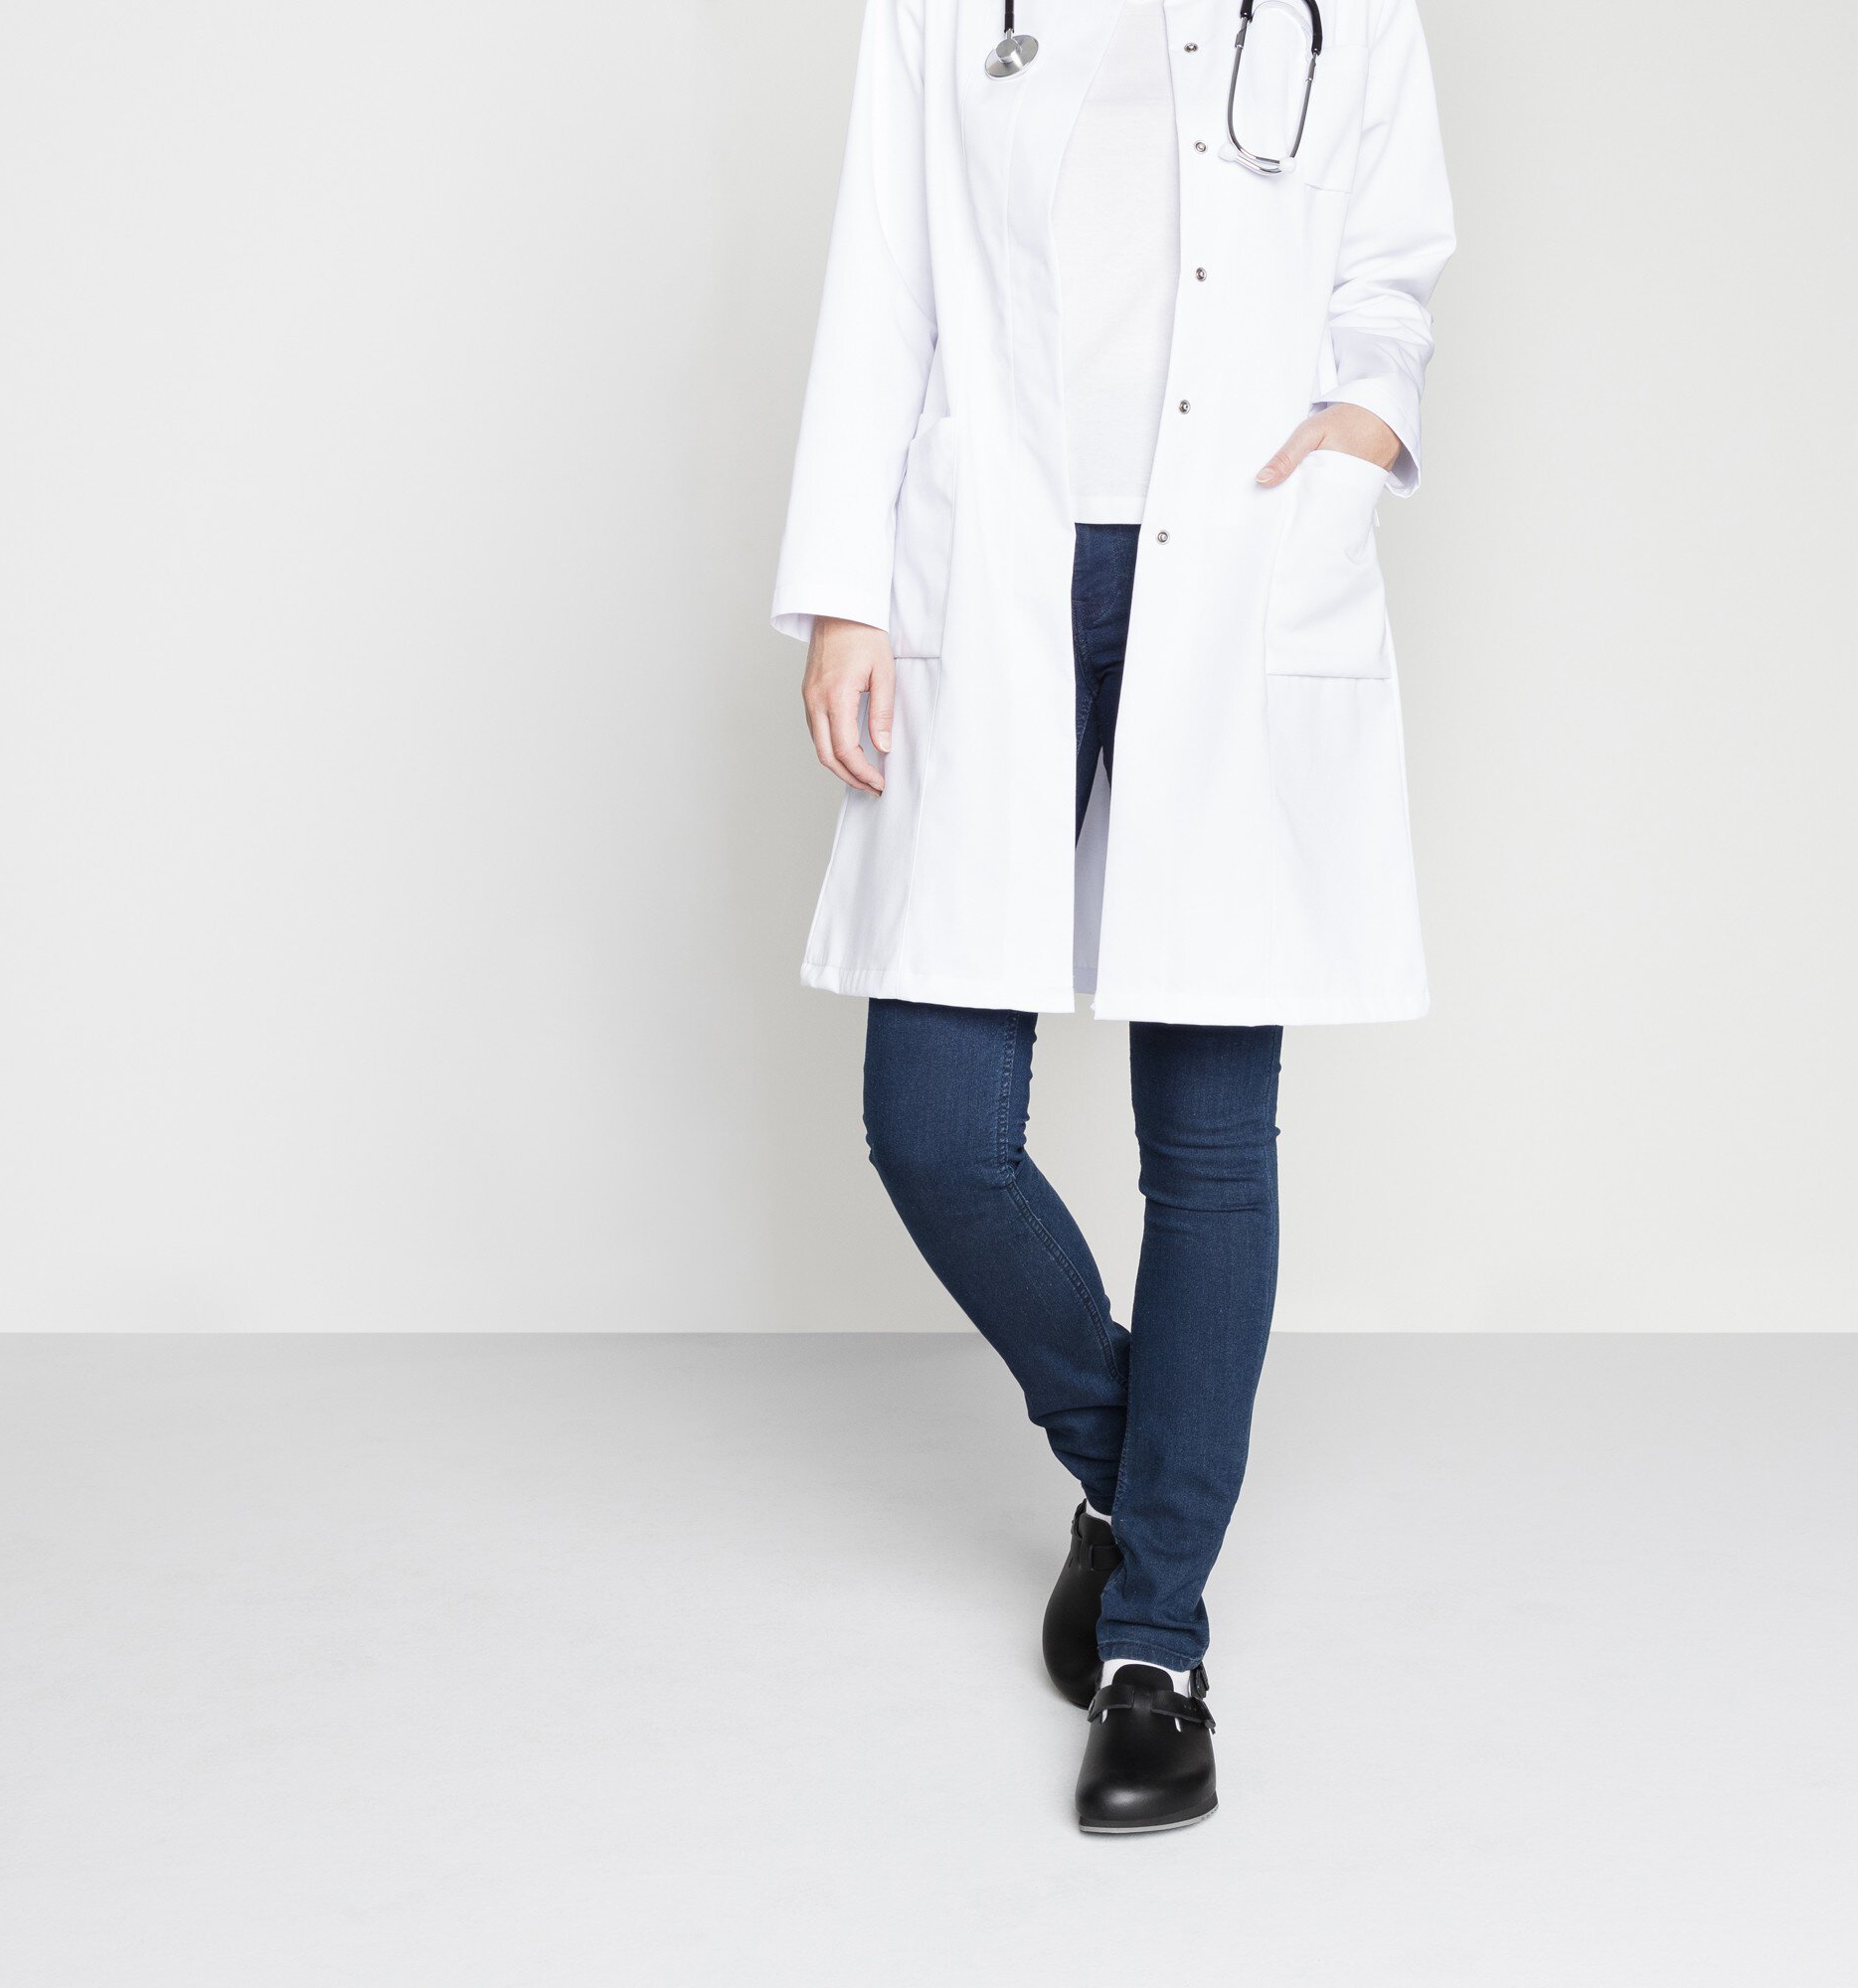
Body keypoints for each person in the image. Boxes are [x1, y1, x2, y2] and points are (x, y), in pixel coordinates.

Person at [772, 0, 1452, 1834]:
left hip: (1239, 561)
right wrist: (845, 592)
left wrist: (1366, 415)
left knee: (1209, 1146)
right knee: (933, 1124)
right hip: (991, 566)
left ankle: (1159, 1649)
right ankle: (1131, 1468)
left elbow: (1394, 254)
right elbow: (882, 278)